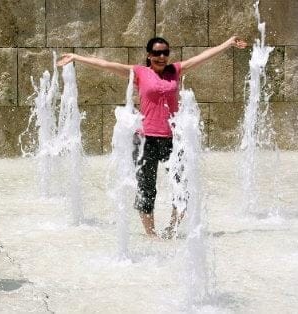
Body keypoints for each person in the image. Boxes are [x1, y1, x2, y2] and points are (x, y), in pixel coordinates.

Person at [57, 36, 247, 238]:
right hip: (145, 140)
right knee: (147, 189)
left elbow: (203, 57)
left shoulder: (175, 70)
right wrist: (76, 57)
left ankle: (172, 229)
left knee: (181, 186)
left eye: (165, 52)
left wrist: (227, 43)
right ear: (149, 55)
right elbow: (106, 65)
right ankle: (151, 235)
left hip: (173, 139)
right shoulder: (139, 73)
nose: (162, 56)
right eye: (157, 53)